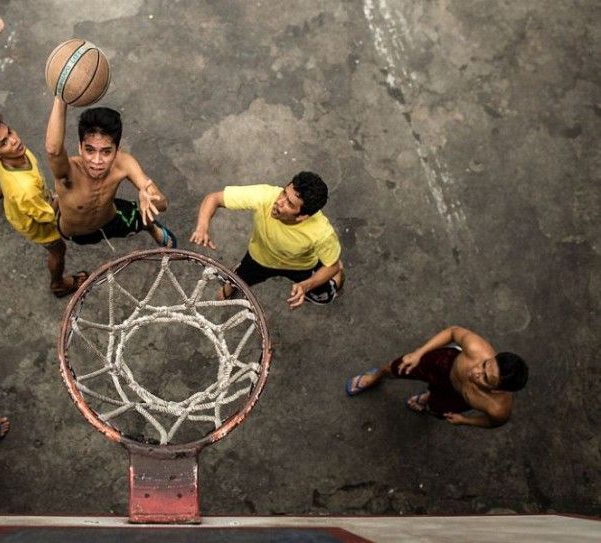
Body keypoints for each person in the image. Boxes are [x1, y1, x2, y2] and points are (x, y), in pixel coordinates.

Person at [0, 112, 87, 298]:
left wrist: (7, 191)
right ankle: (58, 284)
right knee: (58, 250)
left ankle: (2, 193)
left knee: (11, 189)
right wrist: (65, 194)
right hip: (36, 224)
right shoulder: (25, 190)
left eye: (10, 133)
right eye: (4, 143)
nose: (14, 141)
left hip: (20, 198)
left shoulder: (10, 158)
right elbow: (47, 216)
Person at [190, 172, 344, 310]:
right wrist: (202, 227)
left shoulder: (322, 233)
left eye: (289, 203)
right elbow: (214, 198)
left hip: (300, 266)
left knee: (326, 294)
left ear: (302, 216)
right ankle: (233, 284)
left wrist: (306, 285)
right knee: (239, 279)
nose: (279, 201)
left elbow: (332, 266)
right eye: (284, 192)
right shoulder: (265, 196)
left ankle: (338, 279)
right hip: (260, 257)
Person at [44, 97, 176, 249]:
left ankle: (151, 227)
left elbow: (163, 204)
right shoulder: (69, 172)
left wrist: (150, 197)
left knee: (143, 218)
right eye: (89, 150)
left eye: (106, 152)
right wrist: (61, 97)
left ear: (117, 150)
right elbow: (53, 151)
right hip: (77, 233)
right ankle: (56, 201)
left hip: (111, 218)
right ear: (80, 147)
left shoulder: (124, 163)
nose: (97, 161)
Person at [345, 326, 529, 428]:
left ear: (497, 389)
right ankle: (375, 377)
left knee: (436, 409)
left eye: (486, 379)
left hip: (454, 398)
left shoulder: (496, 408)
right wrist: (419, 353)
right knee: (398, 367)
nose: (476, 372)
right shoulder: (476, 348)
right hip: (444, 365)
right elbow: (452, 332)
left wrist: (465, 421)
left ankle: (427, 398)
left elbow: (493, 422)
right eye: (484, 365)